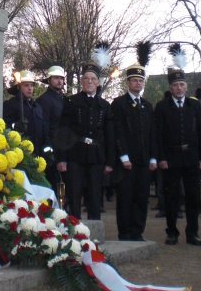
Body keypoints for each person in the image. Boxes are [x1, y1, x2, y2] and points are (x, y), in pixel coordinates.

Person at [155, 48, 201, 246]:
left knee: (193, 197)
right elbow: (158, 135)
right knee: (171, 197)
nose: (178, 88)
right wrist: (161, 158)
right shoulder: (162, 107)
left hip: (192, 158)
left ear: (187, 87)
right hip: (171, 158)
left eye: (182, 84)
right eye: (175, 85)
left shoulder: (195, 107)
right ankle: (172, 232)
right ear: (171, 87)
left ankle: (192, 232)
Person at [57, 62, 114, 219]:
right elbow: (63, 132)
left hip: (96, 157)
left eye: (93, 79)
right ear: (81, 81)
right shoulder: (71, 102)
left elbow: (109, 135)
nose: (89, 81)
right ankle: (75, 231)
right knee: (74, 195)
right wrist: (62, 159)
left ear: (98, 82)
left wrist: (110, 161)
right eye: (86, 78)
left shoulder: (104, 105)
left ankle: (93, 232)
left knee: (95, 195)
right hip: (75, 155)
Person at [111, 57, 157, 241]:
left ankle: (138, 231)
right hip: (126, 161)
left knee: (141, 197)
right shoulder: (119, 104)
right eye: (135, 80)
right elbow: (118, 132)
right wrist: (123, 156)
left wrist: (153, 157)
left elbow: (152, 133)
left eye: (140, 80)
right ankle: (125, 232)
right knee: (125, 198)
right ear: (128, 82)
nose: (138, 83)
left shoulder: (147, 106)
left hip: (144, 160)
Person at [36, 65, 67, 190]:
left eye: (61, 78)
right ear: (49, 80)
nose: (59, 81)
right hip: (52, 148)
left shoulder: (65, 99)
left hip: (65, 146)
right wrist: (48, 149)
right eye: (56, 78)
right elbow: (44, 126)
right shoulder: (43, 100)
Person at [3, 70, 46, 156]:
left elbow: (43, 129)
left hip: (37, 153)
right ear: (18, 87)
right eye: (26, 85)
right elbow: (4, 126)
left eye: (31, 85)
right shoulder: (10, 105)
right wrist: (15, 125)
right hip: (19, 153)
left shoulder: (37, 107)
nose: (30, 88)